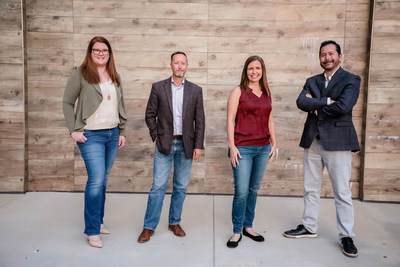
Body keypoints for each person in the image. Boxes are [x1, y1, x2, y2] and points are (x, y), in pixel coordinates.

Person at [283, 40, 360, 258]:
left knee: (342, 192)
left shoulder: (351, 79)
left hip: (338, 143)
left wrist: (315, 107)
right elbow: (301, 102)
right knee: (310, 187)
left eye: (331, 54)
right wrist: (326, 101)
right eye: (323, 55)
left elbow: (344, 106)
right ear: (320, 58)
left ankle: (346, 235)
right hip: (313, 141)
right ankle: (309, 226)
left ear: (339, 56)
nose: (327, 58)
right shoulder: (312, 80)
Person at [62, 36, 127, 248]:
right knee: (96, 179)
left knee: (103, 179)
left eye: (105, 50)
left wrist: (122, 130)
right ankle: (91, 230)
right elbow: (67, 102)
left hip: (112, 133)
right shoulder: (79, 74)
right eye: (97, 50)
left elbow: (120, 104)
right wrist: (73, 130)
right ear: (90, 52)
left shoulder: (114, 75)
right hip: (91, 135)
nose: (101, 53)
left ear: (109, 53)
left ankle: (98, 221)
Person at [138, 51, 205, 243]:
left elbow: (199, 120)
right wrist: (156, 135)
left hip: (186, 145)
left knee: (181, 187)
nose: (180, 66)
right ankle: (148, 227)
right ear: (171, 65)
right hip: (164, 144)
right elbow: (149, 115)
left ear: (187, 66)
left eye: (183, 63)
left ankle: (174, 222)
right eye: (177, 63)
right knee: (158, 187)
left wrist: (198, 145)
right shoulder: (158, 88)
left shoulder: (195, 90)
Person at [226, 55, 276, 248]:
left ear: (262, 71)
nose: (254, 72)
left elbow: (270, 120)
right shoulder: (238, 91)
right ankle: (237, 231)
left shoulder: (267, 92)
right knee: (241, 192)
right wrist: (232, 147)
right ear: (245, 71)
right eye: (250, 68)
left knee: (253, 190)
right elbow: (230, 120)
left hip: (263, 148)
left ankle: (248, 226)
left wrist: (274, 143)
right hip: (243, 148)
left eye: (258, 68)